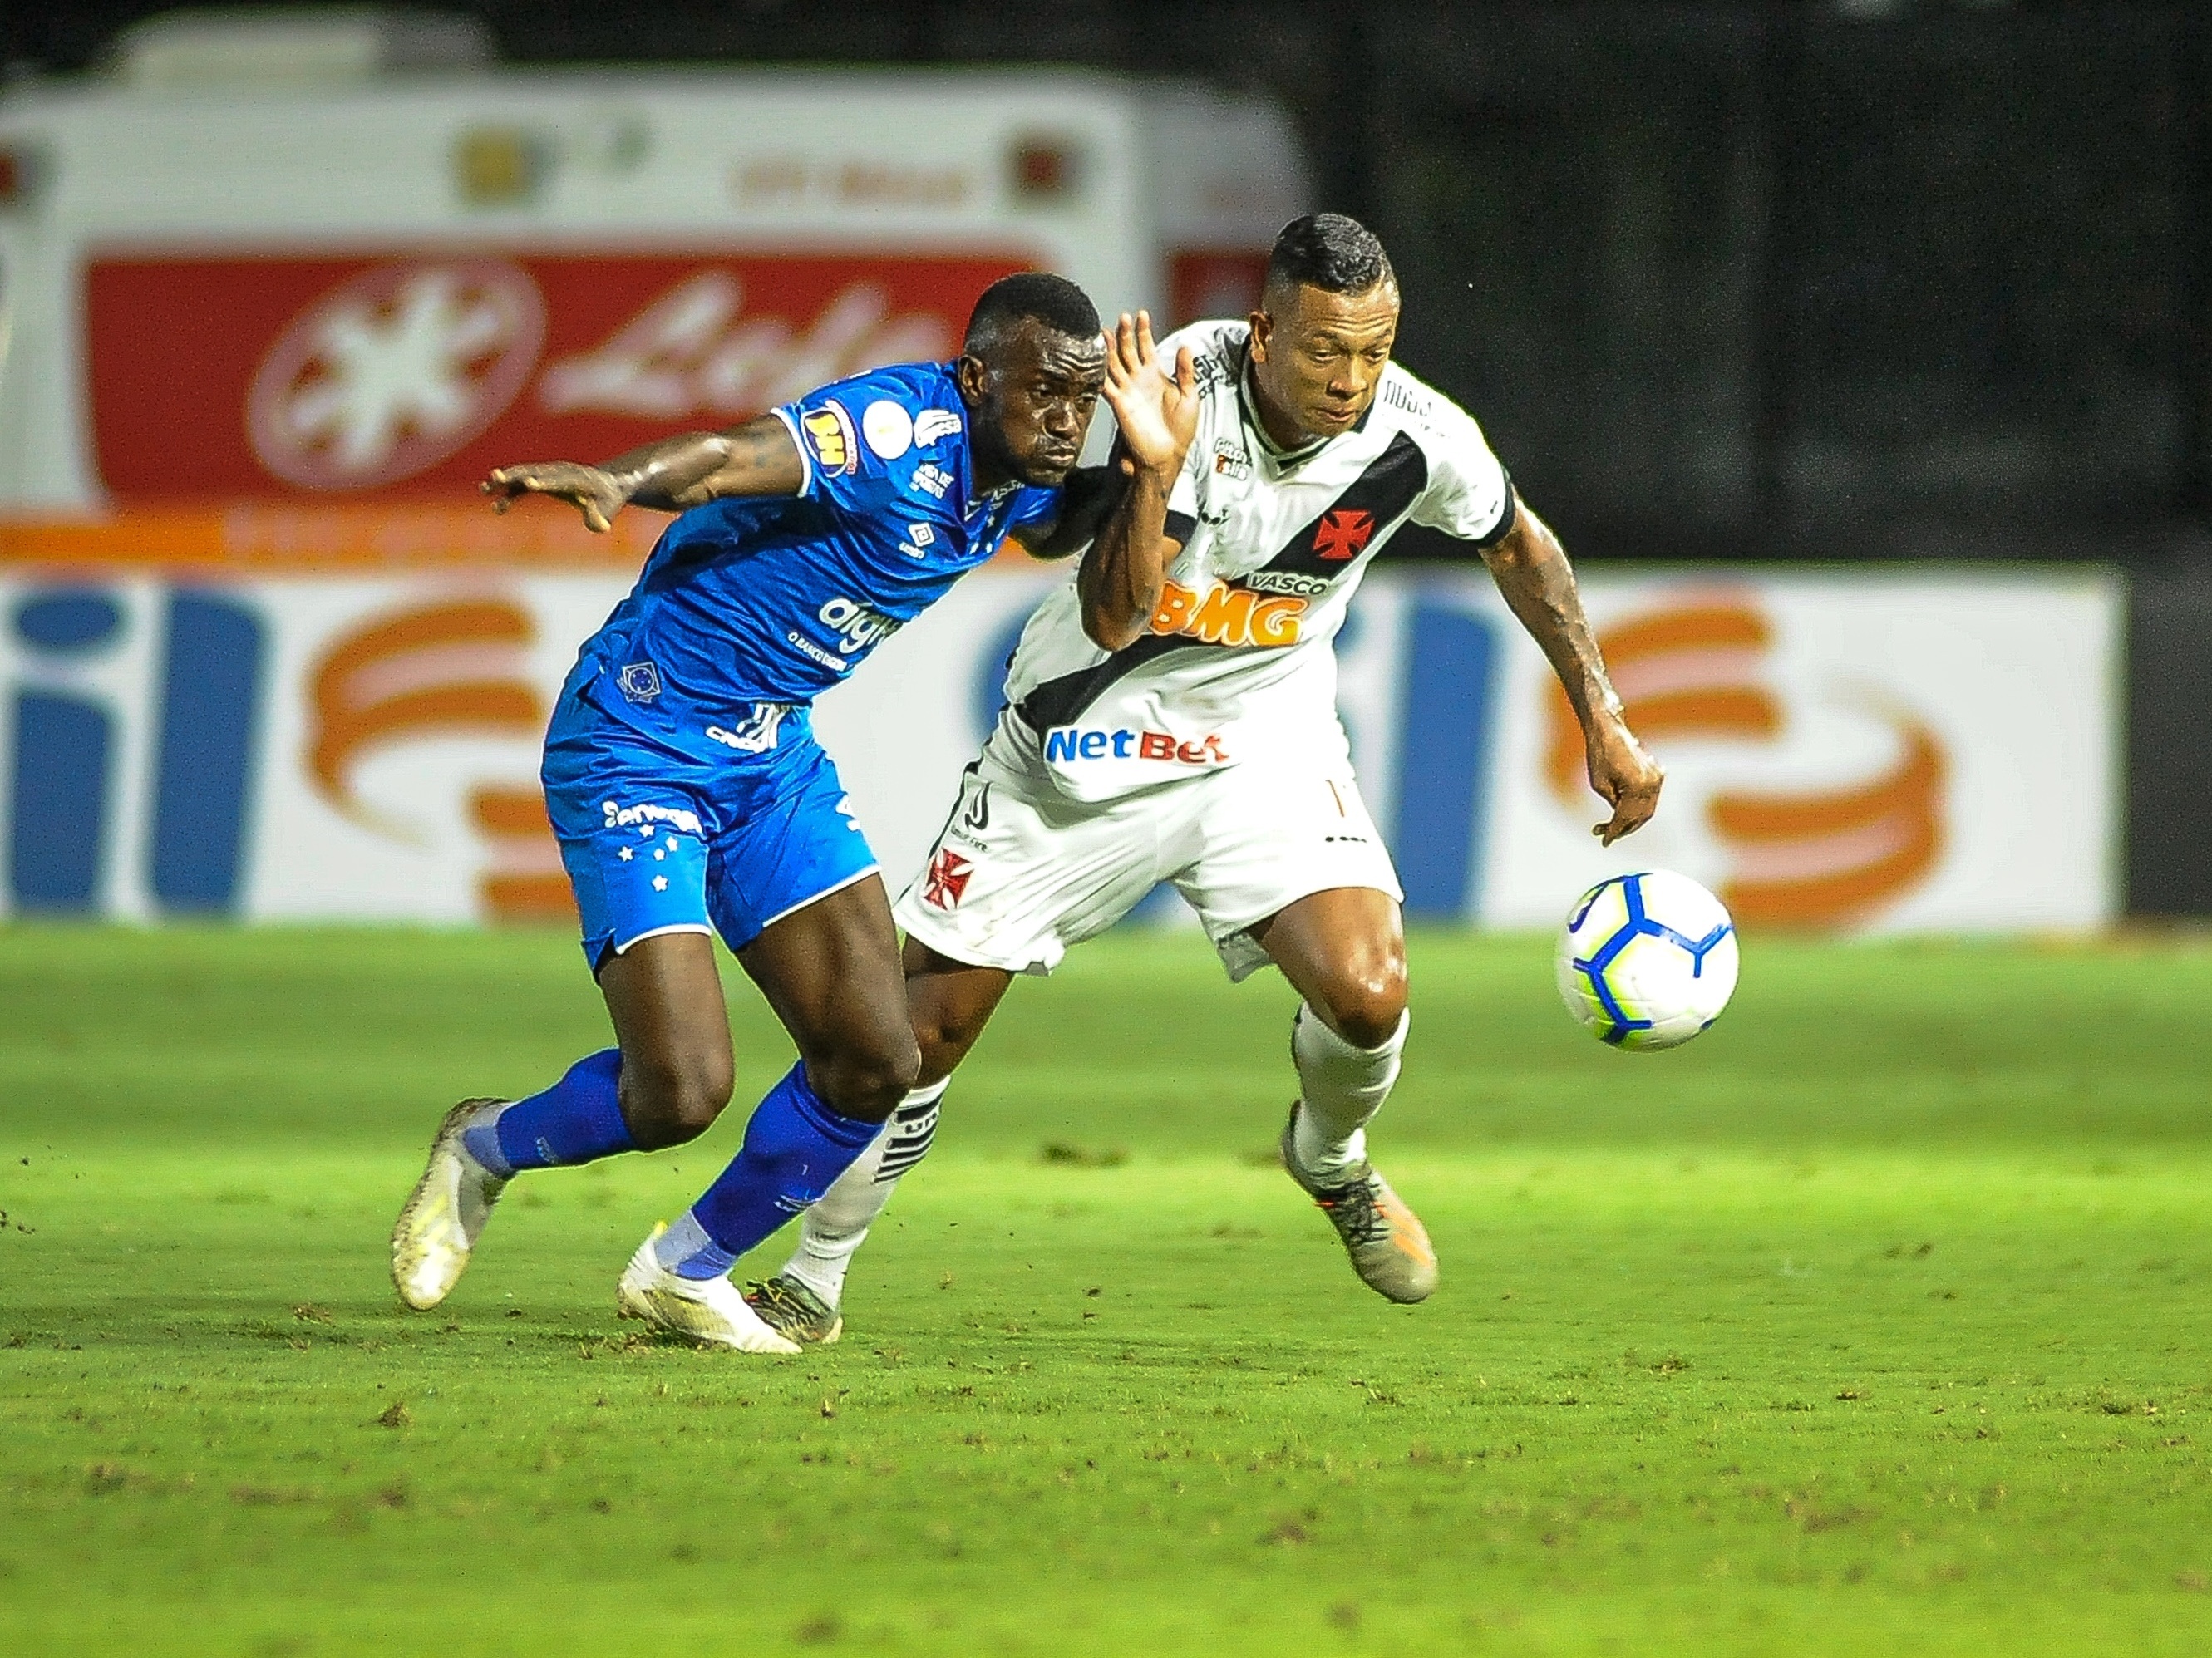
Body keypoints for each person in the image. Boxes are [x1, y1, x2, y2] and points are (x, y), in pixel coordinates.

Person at [740, 214, 1665, 1346]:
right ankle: (813, 1276)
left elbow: (1517, 541)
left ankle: (1330, 1161)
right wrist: (1156, 460)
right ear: (1263, 328)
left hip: (1258, 747)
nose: (1350, 381)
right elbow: (1113, 612)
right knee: (920, 1034)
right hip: (1081, 749)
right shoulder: (1185, 383)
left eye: (1373, 352)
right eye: (1325, 351)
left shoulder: (1419, 435)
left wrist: (1601, 715)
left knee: (1369, 992)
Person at [389, 273, 1116, 1353]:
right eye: (1046, 394)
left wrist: (1158, 465)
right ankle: (483, 1147)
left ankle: (685, 1271)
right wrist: (620, 477)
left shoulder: (1014, 466)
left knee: (878, 1057)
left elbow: (1056, 532)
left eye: (1085, 401)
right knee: (679, 1091)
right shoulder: (891, 425)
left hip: (767, 759)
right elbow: (733, 456)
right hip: (634, 745)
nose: (1067, 422)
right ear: (973, 378)